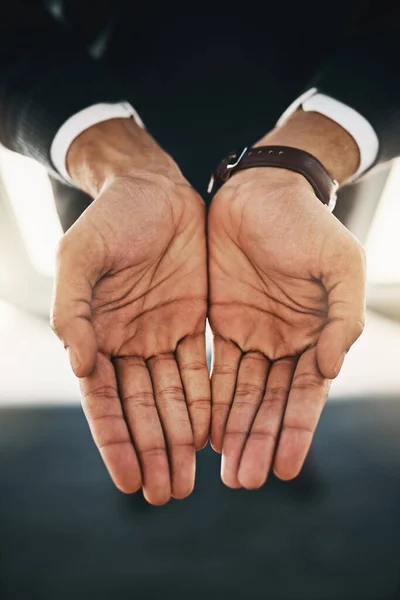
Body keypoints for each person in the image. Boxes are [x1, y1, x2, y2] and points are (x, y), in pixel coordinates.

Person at [0, 1, 399, 505]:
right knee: (129, 345)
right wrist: (109, 154)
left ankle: (274, 444)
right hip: (108, 139)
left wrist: (314, 153)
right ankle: (158, 446)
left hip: (321, 145)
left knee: (295, 338)